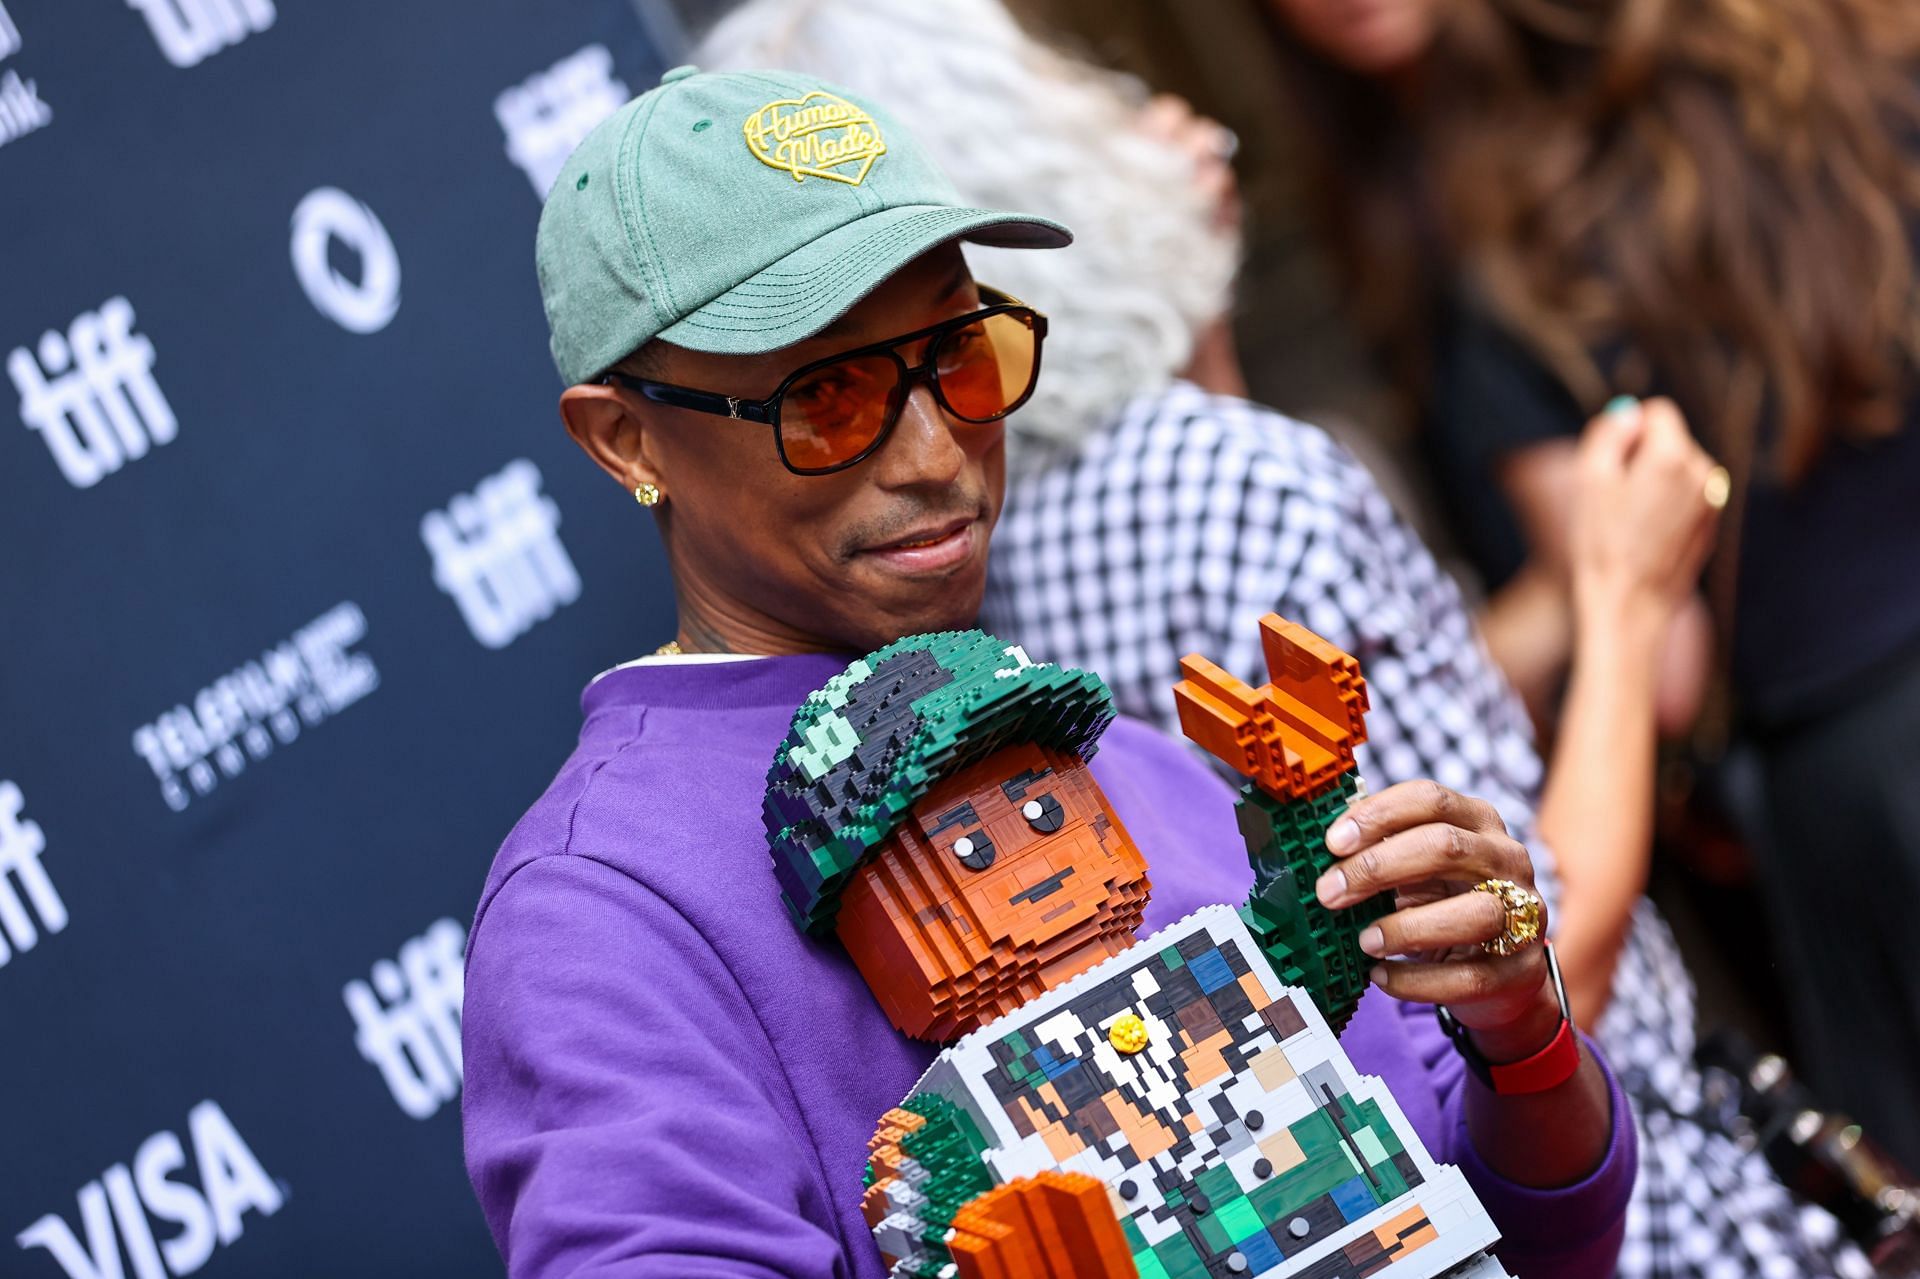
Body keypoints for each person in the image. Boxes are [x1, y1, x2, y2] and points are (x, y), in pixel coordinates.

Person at [689, 4, 1875, 1277]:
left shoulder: (954, 569)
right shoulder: (1233, 480)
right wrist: (1627, 603)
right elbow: (1517, 939)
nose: (1161, 119)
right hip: (1628, 1213)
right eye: (1078, 85)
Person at [461, 64, 1635, 1278]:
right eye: (827, 398)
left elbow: (1517, 1225)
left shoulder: (1119, 757)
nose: (934, 454)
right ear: (627, 439)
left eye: (959, 357)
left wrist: (1519, 1030)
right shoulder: (598, 914)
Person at [1260, 0, 1920, 1181]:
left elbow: (1657, 662)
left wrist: (1453, 642)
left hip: (1868, 797)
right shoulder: (1843, 79)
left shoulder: (1517, 263)